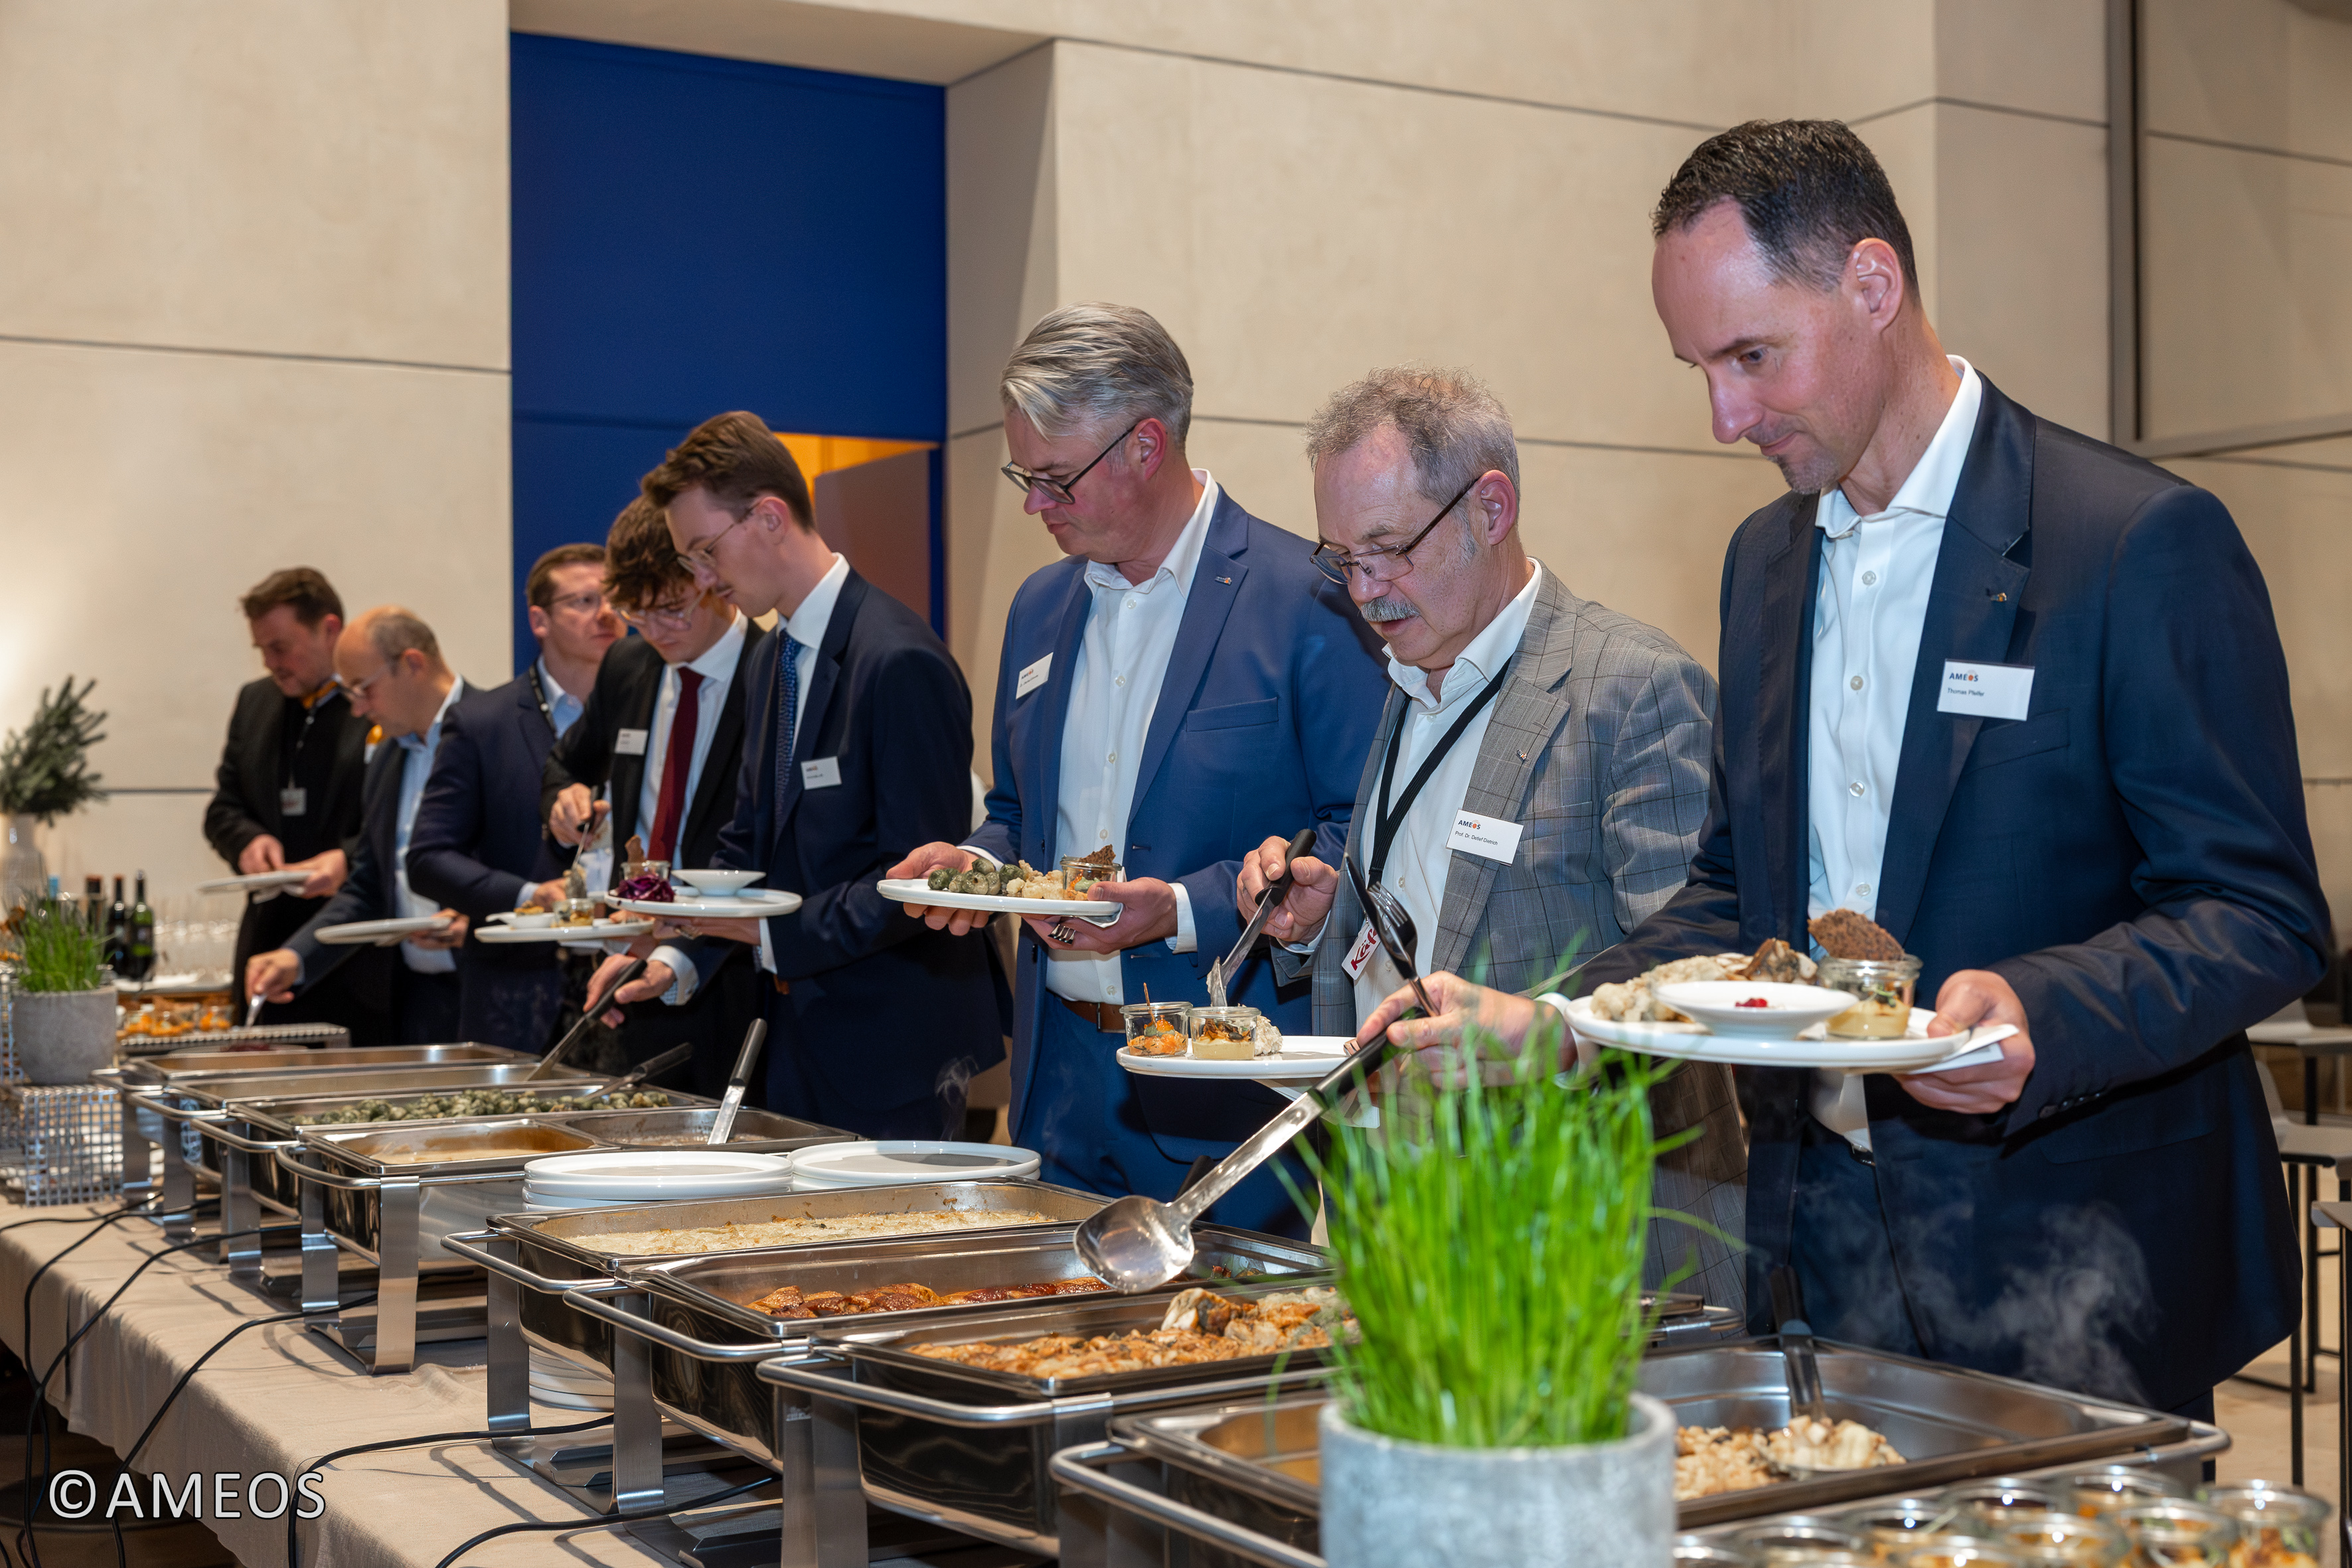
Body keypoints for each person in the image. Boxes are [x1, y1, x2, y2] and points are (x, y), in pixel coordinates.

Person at [1358, 119, 2329, 1419]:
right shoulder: (1762, 563)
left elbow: (2258, 912)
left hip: (2074, 1243)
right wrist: (1563, 1021)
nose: (1723, 416)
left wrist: (2038, 1013)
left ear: (1872, 285)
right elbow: (1732, 897)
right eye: (1699, 368)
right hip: (1819, 1246)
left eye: (1750, 356)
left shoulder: (2131, 540)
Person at [1234, 366, 1747, 1312]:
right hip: (1392, 1218)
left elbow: (1698, 982)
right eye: (1342, 559)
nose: (1365, 591)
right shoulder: (1410, 674)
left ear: (1492, 507)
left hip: (1572, 1240)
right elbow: (1442, 907)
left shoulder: (1630, 686)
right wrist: (1325, 919)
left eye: (1388, 550)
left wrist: (1546, 1033)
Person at [888, 303, 1389, 1234]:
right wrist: (976, 865)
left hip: (1218, 1084)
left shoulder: (1309, 597)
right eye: (1023, 477)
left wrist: (1185, 907)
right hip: (1056, 1078)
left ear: (1145, 445)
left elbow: (1358, 832)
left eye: (1053, 479)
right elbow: (1016, 811)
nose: (1034, 505)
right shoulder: (1038, 606)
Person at [590, 412, 998, 1137]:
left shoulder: (898, 660)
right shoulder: (771, 657)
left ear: (770, 517)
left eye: (704, 551)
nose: (703, 578)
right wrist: (678, 953)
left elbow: (922, 882)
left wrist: (768, 932)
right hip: (790, 1037)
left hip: (892, 1048)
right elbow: (748, 842)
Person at [544, 497, 766, 1096]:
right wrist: (564, 797)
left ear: (712, 578)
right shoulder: (628, 663)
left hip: (735, 980)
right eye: (635, 613)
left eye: (670, 609)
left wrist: (680, 947)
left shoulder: (770, 672)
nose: (655, 630)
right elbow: (566, 761)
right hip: (631, 968)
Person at [408, 544, 619, 1050]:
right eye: (585, 601)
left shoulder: (660, 708)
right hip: (515, 997)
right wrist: (527, 896)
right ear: (539, 620)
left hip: (630, 985)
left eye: (615, 597)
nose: (607, 613)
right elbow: (428, 857)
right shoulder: (483, 722)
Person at [244, 608, 470, 1043]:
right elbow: (367, 886)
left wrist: (477, 923)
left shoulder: (498, 729)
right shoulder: (385, 757)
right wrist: (297, 957)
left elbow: (538, 866)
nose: (359, 707)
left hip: (492, 991)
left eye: (365, 689)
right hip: (412, 999)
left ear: (413, 664)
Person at [203, 568, 390, 1040]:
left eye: (280, 647)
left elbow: (400, 820)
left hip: (356, 955)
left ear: (329, 630)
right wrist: (248, 842)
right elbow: (223, 809)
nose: (270, 662)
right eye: (261, 650)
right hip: (267, 946)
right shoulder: (255, 702)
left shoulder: (376, 703)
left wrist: (347, 859)